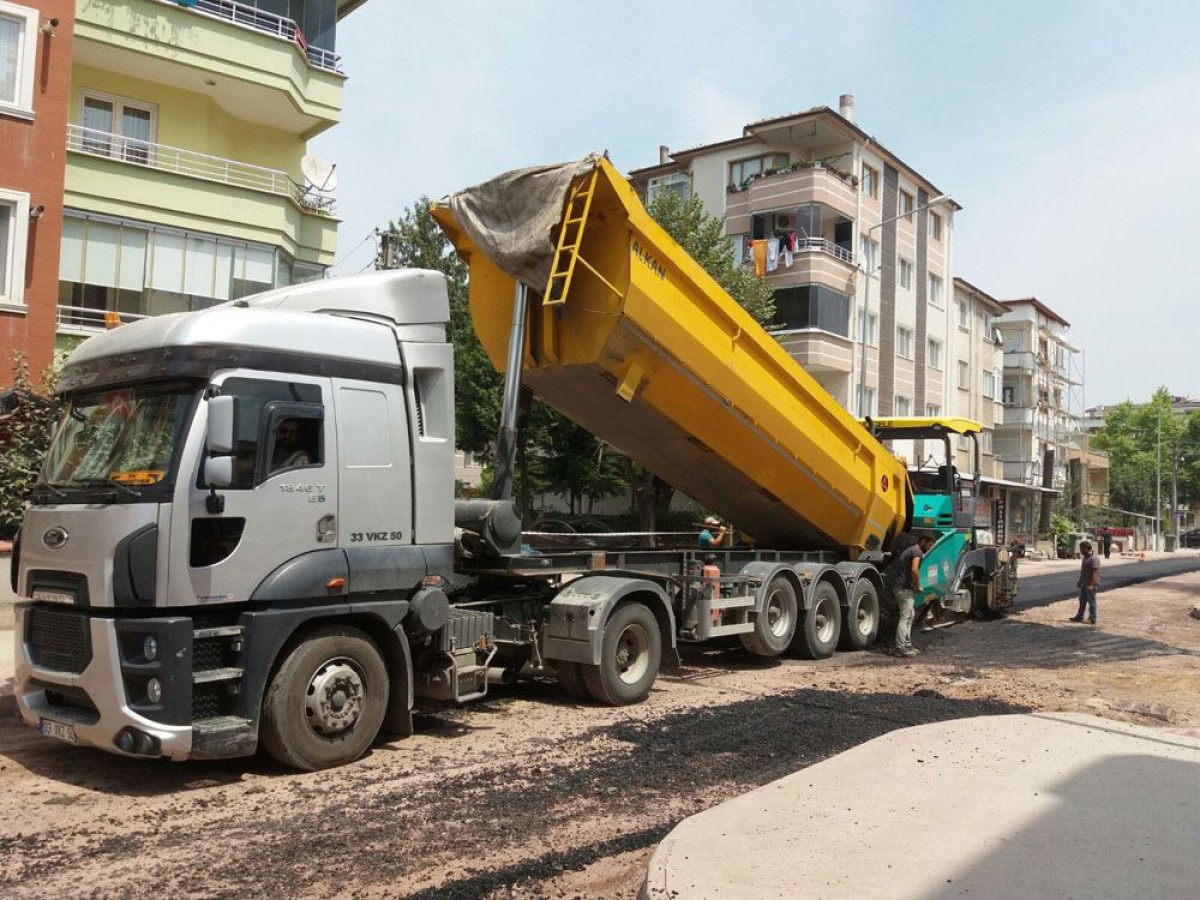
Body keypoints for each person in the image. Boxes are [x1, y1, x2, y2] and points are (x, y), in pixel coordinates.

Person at [893, 534, 934, 657]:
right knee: (906, 617)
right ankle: (900, 648)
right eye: (930, 545)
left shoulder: (911, 550)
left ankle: (907, 644)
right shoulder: (917, 552)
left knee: (910, 616)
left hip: (902, 588)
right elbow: (914, 569)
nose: (930, 547)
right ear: (922, 541)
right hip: (904, 589)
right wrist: (916, 586)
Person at [1069, 540, 1101, 624]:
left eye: (1082, 549)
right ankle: (1079, 616)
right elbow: (1083, 571)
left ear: (1086, 548)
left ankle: (1092, 618)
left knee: (1091, 602)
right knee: (1082, 600)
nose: (1081, 551)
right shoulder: (1085, 558)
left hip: (1091, 584)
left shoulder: (1094, 558)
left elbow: (1095, 573)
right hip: (1084, 583)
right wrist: (1080, 581)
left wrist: (1091, 585)